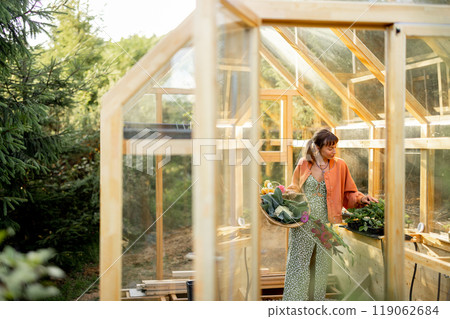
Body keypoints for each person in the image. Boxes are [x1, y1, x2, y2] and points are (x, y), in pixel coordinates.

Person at [282, 128, 377, 301]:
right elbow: (294, 186)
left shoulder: (340, 165)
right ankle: (293, 303)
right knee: (298, 262)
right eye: (330, 148)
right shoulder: (304, 163)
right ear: (317, 148)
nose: (334, 151)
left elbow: (350, 193)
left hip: (325, 222)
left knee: (321, 265)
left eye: (335, 147)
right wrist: (287, 195)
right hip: (303, 221)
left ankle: (315, 304)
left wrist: (362, 199)